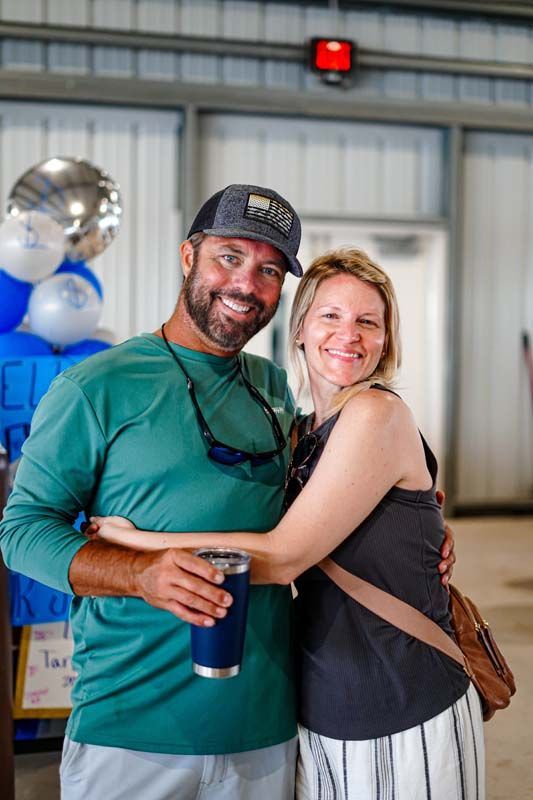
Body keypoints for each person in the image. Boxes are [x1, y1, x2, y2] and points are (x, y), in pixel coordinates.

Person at [0, 184, 454, 800]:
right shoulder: (97, 386)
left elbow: (337, 485)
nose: (247, 283)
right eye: (230, 257)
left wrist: (423, 520)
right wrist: (139, 573)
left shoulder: (271, 390)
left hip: (266, 726)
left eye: (270, 269)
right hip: (133, 726)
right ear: (189, 256)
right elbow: (23, 533)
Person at [90, 248, 481, 800]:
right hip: (320, 706)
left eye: (368, 322)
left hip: (402, 701)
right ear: (299, 329)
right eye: (330, 316)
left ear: (386, 342)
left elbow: (281, 556)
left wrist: (139, 541)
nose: (349, 334)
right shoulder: (301, 434)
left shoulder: (375, 414)